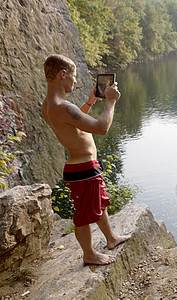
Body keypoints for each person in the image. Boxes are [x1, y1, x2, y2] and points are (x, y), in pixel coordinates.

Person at [42, 54, 130, 265]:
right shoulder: (63, 107)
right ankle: (89, 254)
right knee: (83, 214)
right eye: (74, 76)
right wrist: (110, 101)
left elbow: (74, 126)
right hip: (82, 169)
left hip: (83, 166)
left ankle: (111, 238)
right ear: (63, 74)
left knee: (99, 204)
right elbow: (101, 128)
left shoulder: (49, 105)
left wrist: (90, 102)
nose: (75, 80)